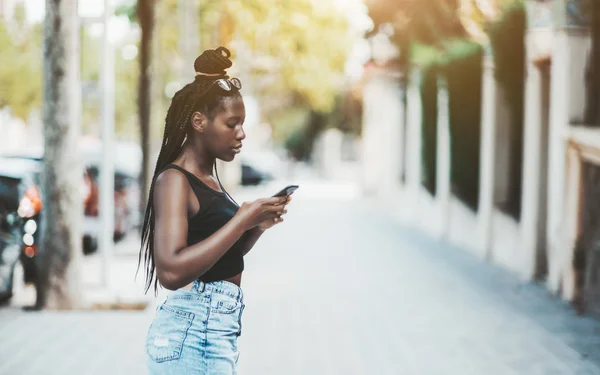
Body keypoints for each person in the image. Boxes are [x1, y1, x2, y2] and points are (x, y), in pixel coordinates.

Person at [138, 46, 291, 374]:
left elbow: (220, 257)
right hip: (193, 334)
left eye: (242, 124)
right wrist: (240, 220)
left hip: (212, 330)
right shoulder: (174, 181)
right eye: (231, 124)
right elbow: (171, 272)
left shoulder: (208, 177)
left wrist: (256, 226)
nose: (242, 133)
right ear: (199, 121)